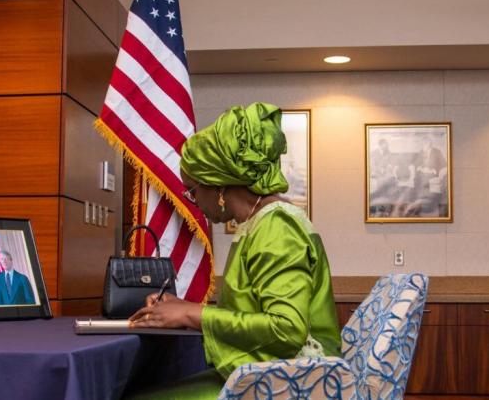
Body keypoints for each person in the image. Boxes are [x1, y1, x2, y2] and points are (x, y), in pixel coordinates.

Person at [127, 103, 341, 399]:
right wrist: (183, 307)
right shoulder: (260, 222)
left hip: (294, 382)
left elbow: (287, 328)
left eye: (193, 190)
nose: (192, 201)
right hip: (270, 373)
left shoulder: (277, 226)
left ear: (218, 187)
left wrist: (192, 314)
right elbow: (255, 313)